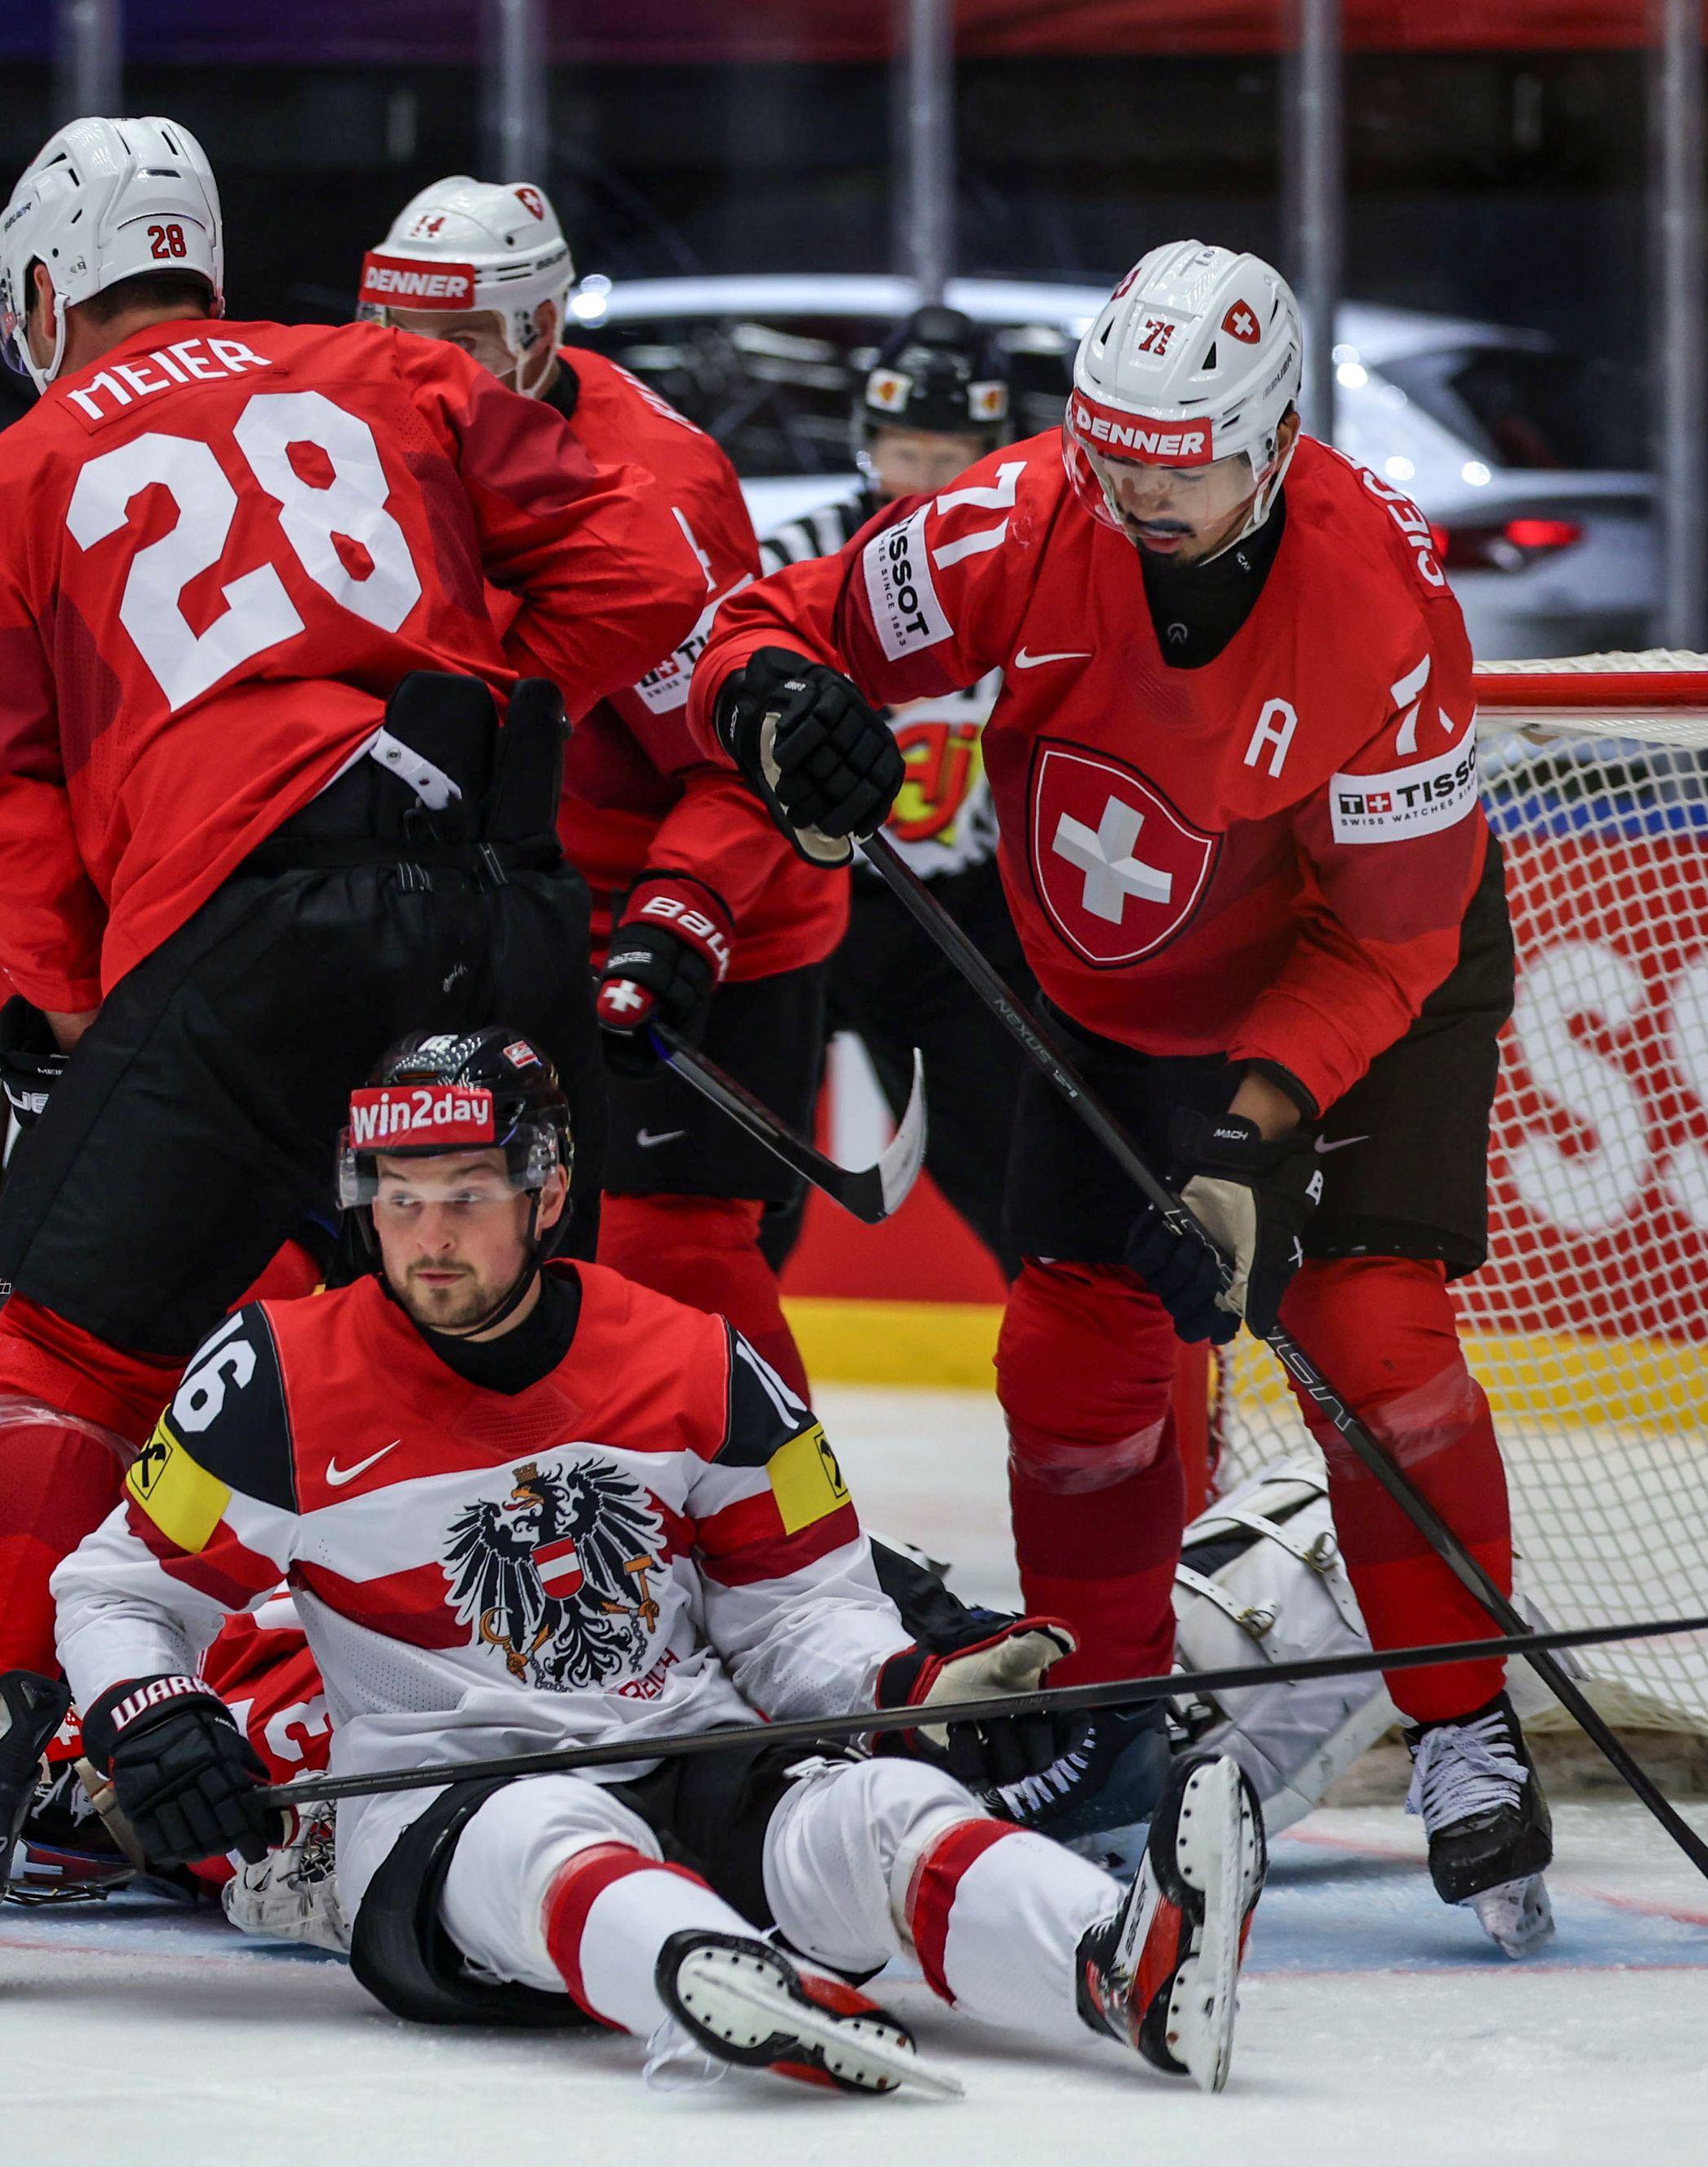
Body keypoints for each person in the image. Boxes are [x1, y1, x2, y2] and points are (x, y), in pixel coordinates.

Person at [0, 115, 703, 1983]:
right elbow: (638, 574)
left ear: (44, 293)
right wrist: (461, 696)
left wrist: (67, 1020)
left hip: (251, 933)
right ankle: (621, 1743)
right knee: (510, 1348)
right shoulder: (390, 376)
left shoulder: (2, 485)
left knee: (61, 1347)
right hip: (503, 906)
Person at [691, 239, 1550, 1952]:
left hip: (1360, 977)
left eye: (1184, 462)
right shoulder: (1017, 520)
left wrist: (1244, 1145)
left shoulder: (1378, 607)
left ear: (1276, 439)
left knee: (1364, 1331)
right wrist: (777, 706)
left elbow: (1383, 940)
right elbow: (758, 625)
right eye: (1113, 452)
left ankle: (1464, 1720)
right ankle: (1111, 1724)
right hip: (1119, 992)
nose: (1139, 492)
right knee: (1068, 1356)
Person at [30, 1030, 1265, 2095]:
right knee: (546, 1829)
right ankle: (714, 1981)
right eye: (398, 1197)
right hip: (444, 1812)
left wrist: (909, 1686)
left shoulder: (696, 1362)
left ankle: (1120, 1961)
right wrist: (156, 1709)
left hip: (685, 1753)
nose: (428, 1237)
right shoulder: (276, 1379)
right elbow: (116, 1588)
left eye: (467, 1192)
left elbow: (797, 1615)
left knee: (881, 1809)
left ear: (548, 1190)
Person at [357, 176, 843, 1388]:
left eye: (457, 342)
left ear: (540, 330)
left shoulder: (650, 494)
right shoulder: (359, 451)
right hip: (526, 902)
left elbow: (749, 766)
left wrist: (679, 918)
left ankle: (789, 1507)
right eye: (392, 337)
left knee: (673, 1252)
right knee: (460, 1238)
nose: (418, 374)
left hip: (713, 912)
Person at [752, 307, 1031, 1281]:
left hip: (956, 917)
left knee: (1016, 1176)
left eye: (948, 457)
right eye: (903, 450)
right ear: (865, 443)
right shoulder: (801, 557)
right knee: (757, 1183)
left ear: (995, 454)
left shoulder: (1030, 569)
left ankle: (1086, 1369)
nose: (921, 480)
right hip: (803, 900)